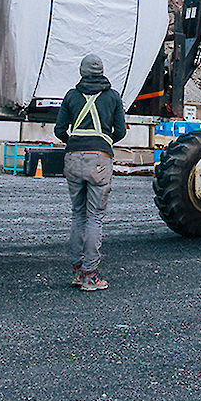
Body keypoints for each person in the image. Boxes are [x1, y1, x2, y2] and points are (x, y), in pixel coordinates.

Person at [53, 53, 126, 291]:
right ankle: (90, 276)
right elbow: (121, 131)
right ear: (101, 72)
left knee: (78, 215)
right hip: (100, 159)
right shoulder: (113, 97)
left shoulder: (71, 96)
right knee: (94, 217)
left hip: (73, 157)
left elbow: (59, 130)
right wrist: (104, 142)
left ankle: (76, 272)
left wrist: (74, 142)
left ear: (82, 72)